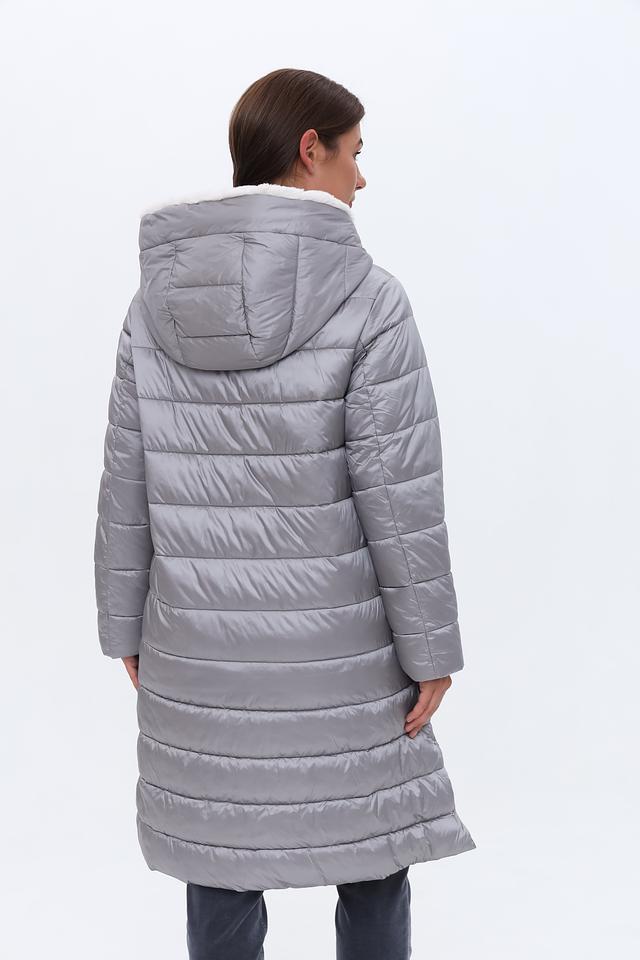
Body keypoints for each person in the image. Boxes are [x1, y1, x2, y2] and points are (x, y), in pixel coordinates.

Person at [94, 67, 476, 960]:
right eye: (355, 153)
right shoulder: (370, 300)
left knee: (219, 855)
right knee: (371, 852)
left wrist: (124, 628)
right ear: (311, 150)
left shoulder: (153, 307)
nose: (361, 178)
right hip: (347, 658)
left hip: (196, 649)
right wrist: (431, 652)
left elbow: (124, 481)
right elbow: (401, 499)